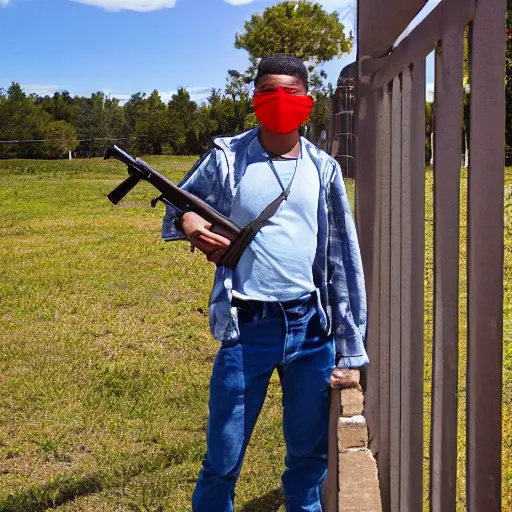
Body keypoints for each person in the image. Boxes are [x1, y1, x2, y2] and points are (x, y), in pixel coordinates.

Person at [162, 54, 368, 512]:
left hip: (311, 330)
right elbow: (178, 206)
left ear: (308, 103)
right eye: (270, 93)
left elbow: (341, 261)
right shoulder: (227, 157)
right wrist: (194, 226)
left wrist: (351, 351)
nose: (280, 102)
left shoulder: (324, 169)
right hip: (245, 327)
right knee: (222, 458)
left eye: (290, 94)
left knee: (308, 457)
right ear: (255, 100)